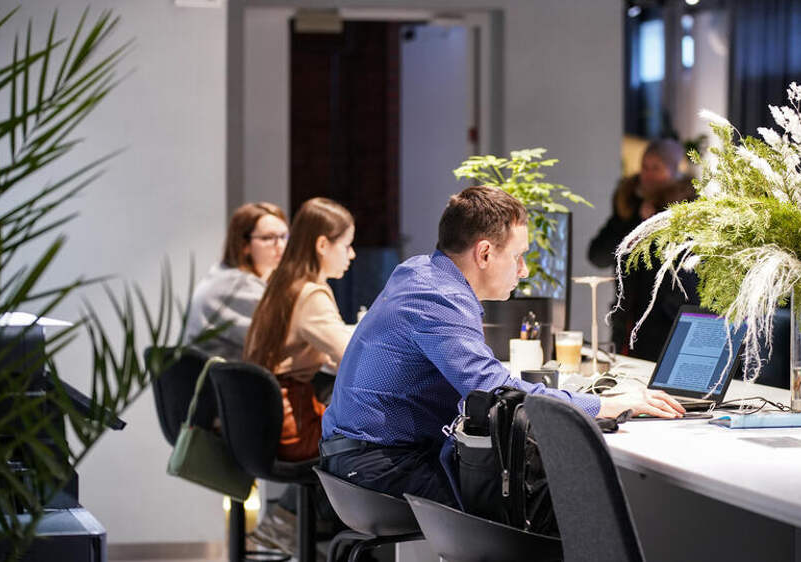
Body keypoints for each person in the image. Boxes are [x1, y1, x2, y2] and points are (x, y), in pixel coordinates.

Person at [319, 186, 685, 506]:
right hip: (379, 467)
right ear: (484, 254)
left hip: (361, 455)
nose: (523, 270)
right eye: (517, 256)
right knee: (566, 499)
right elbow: (497, 391)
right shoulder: (439, 299)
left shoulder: (419, 272)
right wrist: (606, 404)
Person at [243, 197, 356, 554]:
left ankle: (289, 522)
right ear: (323, 244)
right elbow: (354, 357)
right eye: (347, 245)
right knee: (370, 441)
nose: (352, 255)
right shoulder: (311, 294)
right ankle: (301, 526)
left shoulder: (284, 284)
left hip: (263, 421)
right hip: (292, 424)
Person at [589, 139, 698, 361]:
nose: (647, 175)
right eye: (645, 167)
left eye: (656, 168)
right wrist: (636, 223)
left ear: (674, 171)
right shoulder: (628, 207)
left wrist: (655, 225)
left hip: (669, 326)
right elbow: (597, 256)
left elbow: (686, 271)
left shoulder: (688, 212)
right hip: (627, 325)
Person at [185, 202, 288, 360]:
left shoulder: (224, 274)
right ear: (244, 245)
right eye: (268, 238)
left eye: (284, 236)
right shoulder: (238, 285)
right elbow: (279, 343)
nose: (280, 245)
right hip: (217, 375)